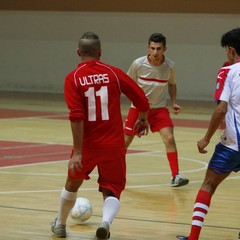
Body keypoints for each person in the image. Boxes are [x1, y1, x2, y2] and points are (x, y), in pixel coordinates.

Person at [51, 31, 150, 239]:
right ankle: (105, 222)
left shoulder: (73, 78)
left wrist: (77, 152)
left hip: (87, 145)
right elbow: (141, 98)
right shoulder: (113, 73)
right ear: (100, 52)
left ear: (78, 52)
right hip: (114, 144)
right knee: (112, 187)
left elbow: (76, 117)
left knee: (72, 183)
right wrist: (142, 118)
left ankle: (60, 224)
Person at [177, 27, 240, 240]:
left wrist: (206, 138)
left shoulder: (228, 72)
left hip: (233, 144)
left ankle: (194, 236)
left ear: (231, 50)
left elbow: (221, 109)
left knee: (208, 184)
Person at [124, 33, 189, 187]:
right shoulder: (138, 64)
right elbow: (127, 84)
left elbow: (172, 84)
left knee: (169, 138)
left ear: (164, 49)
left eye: (158, 49)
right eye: (152, 48)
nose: (155, 52)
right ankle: (115, 174)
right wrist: (138, 105)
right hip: (138, 109)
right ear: (148, 48)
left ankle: (176, 176)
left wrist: (173, 102)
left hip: (159, 110)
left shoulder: (170, 66)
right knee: (125, 142)